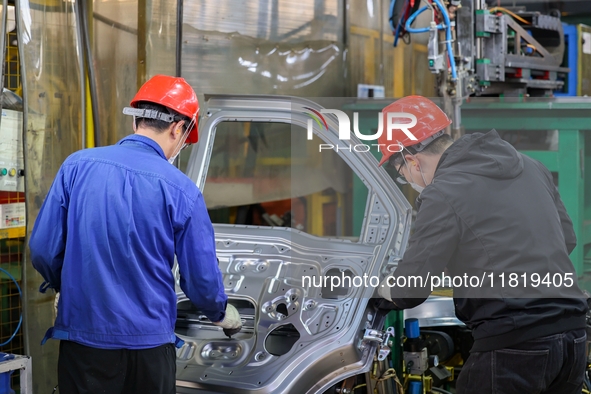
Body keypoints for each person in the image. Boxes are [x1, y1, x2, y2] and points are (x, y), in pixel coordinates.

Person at [29, 74, 242, 394]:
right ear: (177, 129)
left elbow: (43, 249)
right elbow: (200, 281)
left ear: (136, 122)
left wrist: (66, 284)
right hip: (149, 350)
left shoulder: (76, 166)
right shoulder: (182, 191)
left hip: (83, 343)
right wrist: (221, 313)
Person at [375, 95, 588, 394]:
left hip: (514, 346)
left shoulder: (443, 192)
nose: (407, 179)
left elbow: (410, 290)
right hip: (573, 339)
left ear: (411, 160)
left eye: (401, 174)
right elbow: (567, 239)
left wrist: (378, 286)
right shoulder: (531, 166)